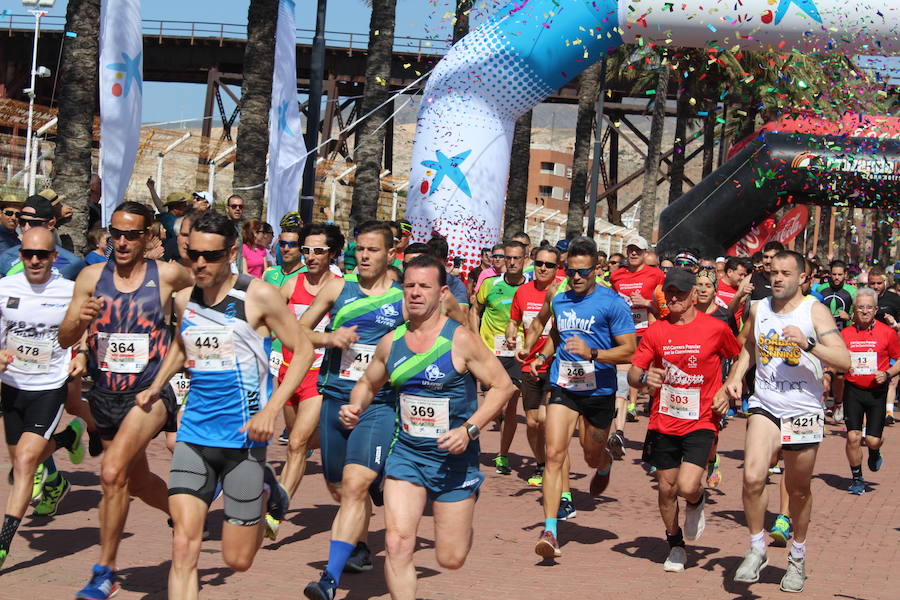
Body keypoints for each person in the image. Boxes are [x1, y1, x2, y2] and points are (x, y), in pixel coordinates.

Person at [133, 211, 313, 598]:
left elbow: (302, 351)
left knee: (237, 560)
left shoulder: (258, 295)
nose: (199, 264)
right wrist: (156, 385)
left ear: (231, 252)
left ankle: (269, 492)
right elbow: (183, 345)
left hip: (245, 442)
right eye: (193, 255)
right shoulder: (184, 299)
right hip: (194, 435)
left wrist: (270, 411)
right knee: (184, 544)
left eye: (210, 256)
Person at [339, 254, 515, 600]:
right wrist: (355, 405)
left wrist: (470, 430)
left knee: (450, 558)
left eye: (424, 286)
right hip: (406, 454)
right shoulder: (392, 342)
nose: (415, 293)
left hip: (454, 458)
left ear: (442, 292)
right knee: (396, 542)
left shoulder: (460, 339)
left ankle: (466, 499)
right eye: (409, 286)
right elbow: (369, 382)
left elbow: (503, 387)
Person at [59, 201, 193, 600]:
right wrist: (78, 324)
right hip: (105, 392)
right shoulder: (89, 277)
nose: (120, 241)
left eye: (131, 234)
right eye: (115, 232)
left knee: (111, 473)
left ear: (149, 236)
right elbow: (65, 338)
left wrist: (183, 362)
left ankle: (105, 572)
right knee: (134, 482)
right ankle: (182, 513)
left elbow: (204, 307)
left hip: (151, 391)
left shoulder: (168, 275)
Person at [724, 250, 850, 593]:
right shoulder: (759, 308)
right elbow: (749, 345)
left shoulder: (815, 310)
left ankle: (797, 554)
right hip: (766, 404)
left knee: (798, 489)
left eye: (785, 273)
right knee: (752, 477)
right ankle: (756, 547)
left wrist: (809, 344)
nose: (777, 278)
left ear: (801, 278)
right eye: (773, 272)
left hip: (804, 410)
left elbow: (844, 359)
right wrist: (737, 375)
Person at [301, 221, 405, 599]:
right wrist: (330, 337)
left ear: (390, 254)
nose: (363, 256)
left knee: (354, 485)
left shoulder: (401, 298)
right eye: (359, 249)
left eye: (373, 250)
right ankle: (360, 540)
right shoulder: (337, 287)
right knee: (338, 484)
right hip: (335, 396)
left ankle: (329, 578)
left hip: (378, 405)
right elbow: (299, 330)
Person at [522, 236, 636, 559]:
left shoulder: (612, 303)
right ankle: (550, 531)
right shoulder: (560, 298)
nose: (575, 278)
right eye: (570, 271)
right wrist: (543, 356)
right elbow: (557, 333)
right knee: (555, 452)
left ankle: (604, 464)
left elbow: (630, 349)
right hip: (564, 386)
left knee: (590, 454)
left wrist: (594, 352)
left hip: (599, 390)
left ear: (596, 270)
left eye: (582, 272)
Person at [628, 268, 740, 572]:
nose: (674, 297)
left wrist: (728, 390)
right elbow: (633, 373)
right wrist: (643, 377)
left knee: (688, 486)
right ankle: (675, 543)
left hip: (702, 417)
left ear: (694, 295)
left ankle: (696, 500)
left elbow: (740, 358)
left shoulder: (715, 328)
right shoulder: (656, 330)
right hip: (663, 418)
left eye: (680, 292)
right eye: (669, 292)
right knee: (666, 488)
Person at [0, 227, 87, 568]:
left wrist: (80, 354)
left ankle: (4, 542)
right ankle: (68, 436)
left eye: (42, 255)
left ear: (54, 257)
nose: (34, 260)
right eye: (27, 254)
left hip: (49, 385)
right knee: (23, 460)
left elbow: (84, 327)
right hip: (12, 386)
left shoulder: (69, 290)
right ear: (20, 255)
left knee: (24, 463)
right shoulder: (5, 288)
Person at [264, 223, 345, 541]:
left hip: (318, 376)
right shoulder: (290, 284)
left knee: (296, 444)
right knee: (297, 446)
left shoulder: (341, 288)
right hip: (287, 372)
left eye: (318, 251)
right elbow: (263, 315)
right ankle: (331, 438)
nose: (310, 256)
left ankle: (274, 514)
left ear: (333, 254)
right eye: (306, 250)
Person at [471, 240, 528, 476]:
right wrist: (475, 340)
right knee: (492, 407)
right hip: (490, 352)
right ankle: (471, 447)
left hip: (517, 353)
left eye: (517, 258)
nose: (512, 262)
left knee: (510, 403)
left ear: (525, 260)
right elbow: (475, 310)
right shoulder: (490, 284)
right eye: (509, 258)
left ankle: (503, 455)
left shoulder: (531, 288)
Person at [506, 246, 562, 487]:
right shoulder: (523, 292)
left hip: (556, 363)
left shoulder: (562, 291)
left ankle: (553, 463)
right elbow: (514, 321)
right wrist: (511, 336)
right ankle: (540, 463)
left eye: (549, 265)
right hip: (529, 363)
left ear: (557, 268)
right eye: (539, 263)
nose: (543, 268)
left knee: (545, 418)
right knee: (531, 422)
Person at [840, 287, 900, 494]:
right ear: (854, 310)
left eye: (868, 307)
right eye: (860, 308)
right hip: (853, 389)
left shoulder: (888, 333)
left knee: (872, 440)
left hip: (877, 392)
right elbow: (836, 359)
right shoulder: (845, 334)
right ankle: (857, 478)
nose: (864, 311)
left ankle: (875, 452)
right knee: (853, 437)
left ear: (875, 310)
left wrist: (888, 374)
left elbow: (899, 358)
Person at [610, 235, 665, 421]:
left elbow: (665, 304)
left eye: (638, 250)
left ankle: (653, 404)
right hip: (623, 330)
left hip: (646, 329)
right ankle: (625, 406)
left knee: (646, 371)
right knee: (625, 371)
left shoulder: (656, 274)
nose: (633, 253)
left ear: (645, 253)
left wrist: (647, 302)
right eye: (630, 250)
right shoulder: (617, 275)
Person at [0, 195, 85, 279]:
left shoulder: (73, 264)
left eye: (33, 223)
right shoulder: (6, 257)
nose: (26, 228)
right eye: (22, 222)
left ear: (50, 224)